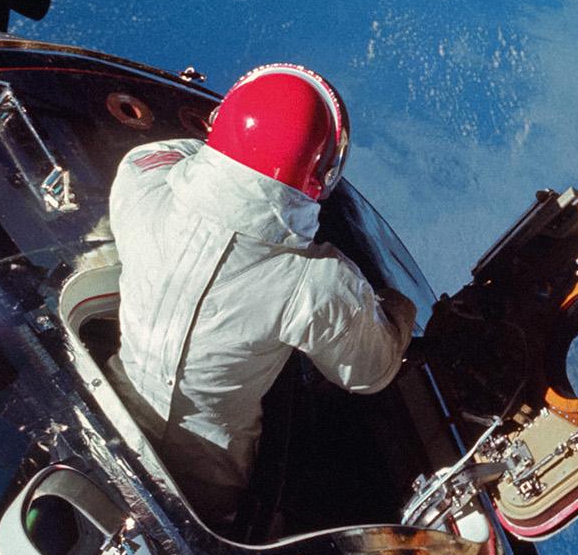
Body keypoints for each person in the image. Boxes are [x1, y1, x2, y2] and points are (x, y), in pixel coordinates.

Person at [106, 62, 417, 530]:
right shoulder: (314, 284)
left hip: (108, 415)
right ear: (322, 175)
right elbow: (370, 373)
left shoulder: (140, 182)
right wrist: (398, 308)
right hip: (204, 488)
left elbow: (175, 153)